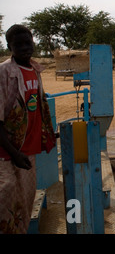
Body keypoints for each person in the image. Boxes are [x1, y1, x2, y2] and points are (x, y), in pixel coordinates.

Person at [0, 24, 56, 233]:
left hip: (29, 152)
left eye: (28, 43)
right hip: (7, 152)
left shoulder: (35, 69)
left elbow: (38, 106)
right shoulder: (4, 72)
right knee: (6, 199)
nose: (25, 48)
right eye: (18, 44)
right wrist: (14, 153)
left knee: (25, 205)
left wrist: (48, 136)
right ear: (9, 46)